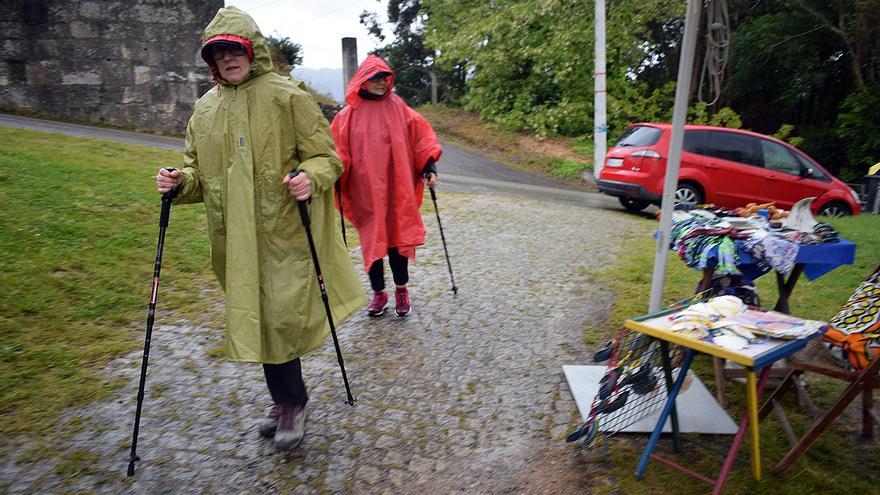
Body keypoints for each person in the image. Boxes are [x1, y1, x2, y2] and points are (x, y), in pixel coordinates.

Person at [155, 6, 363, 451]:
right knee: (262, 321)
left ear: (253, 50)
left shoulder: (288, 97)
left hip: (283, 233)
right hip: (236, 239)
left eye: (235, 49)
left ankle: (291, 402)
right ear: (211, 60)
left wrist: (311, 177)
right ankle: (285, 399)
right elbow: (200, 175)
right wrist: (178, 183)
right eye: (219, 52)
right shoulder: (204, 110)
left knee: (280, 319)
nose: (228, 58)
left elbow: (327, 158)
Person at [330, 55, 443, 317]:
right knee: (373, 243)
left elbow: (419, 137)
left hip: (397, 189)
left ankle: (401, 290)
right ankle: (378, 294)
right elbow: (337, 150)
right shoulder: (348, 115)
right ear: (362, 81)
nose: (381, 83)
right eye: (374, 78)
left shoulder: (398, 107)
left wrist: (428, 166)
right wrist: (334, 172)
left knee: (397, 241)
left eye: (384, 78)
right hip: (366, 192)